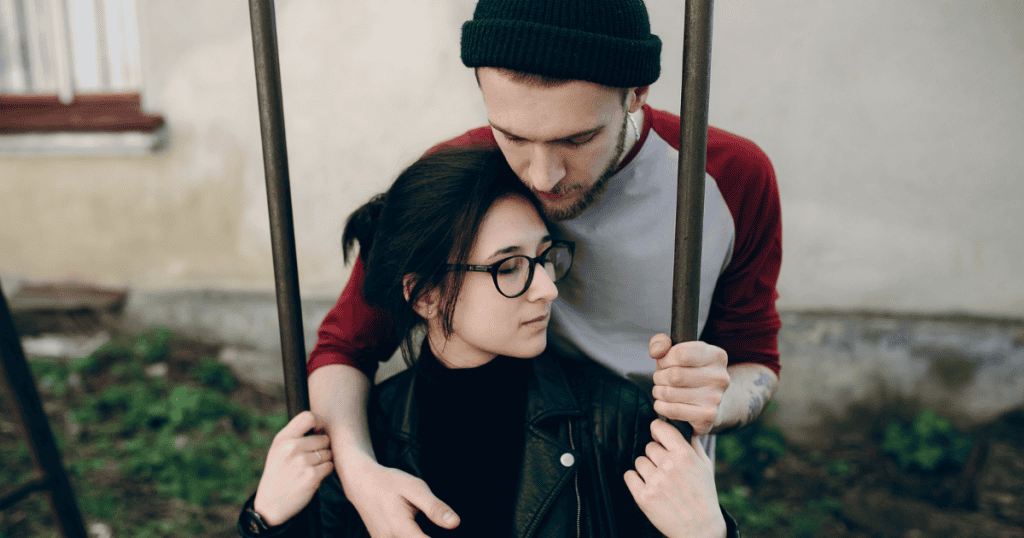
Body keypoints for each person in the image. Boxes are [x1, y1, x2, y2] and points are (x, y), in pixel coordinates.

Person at [309, 0, 783, 535]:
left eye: (577, 139)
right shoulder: (470, 175)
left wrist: (715, 400)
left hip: (657, 491)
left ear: (636, 93)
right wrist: (359, 473)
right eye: (511, 136)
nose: (542, 176)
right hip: (513, 466)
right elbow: (346, 347)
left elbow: (754, 358)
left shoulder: (727, 177)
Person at [238, 148, 738, 537]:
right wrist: (264, 521)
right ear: (426, 295)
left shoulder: (614, 420)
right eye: (509, 267)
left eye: (545, 257)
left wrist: (710, 534)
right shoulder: (364, 436)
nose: (546, 288)